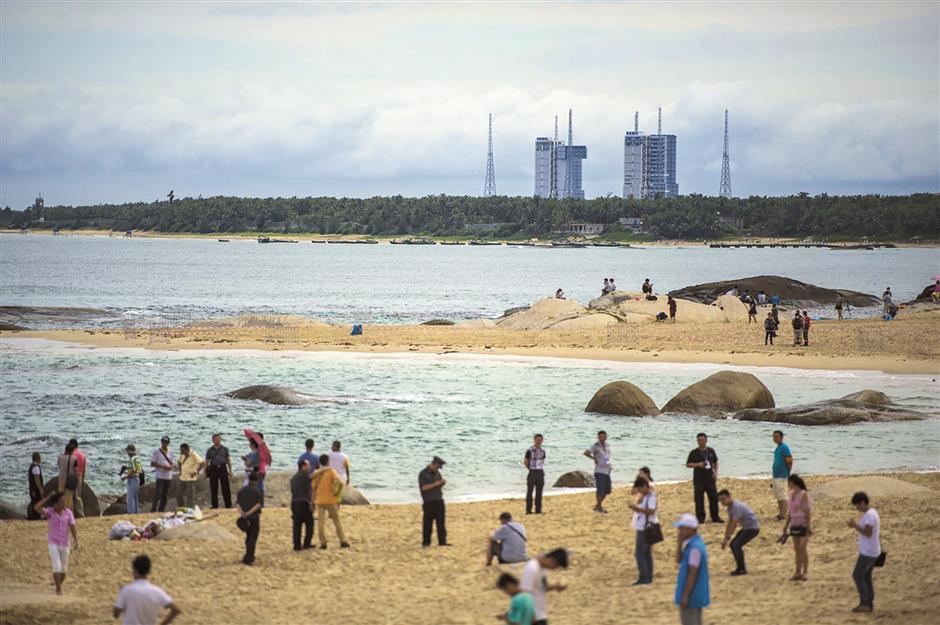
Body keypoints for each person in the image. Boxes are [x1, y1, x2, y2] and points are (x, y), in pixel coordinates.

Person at [113, 555, 181, 625]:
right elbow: (176, 610)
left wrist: (121, 596)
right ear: (148, 571)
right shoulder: (158, 591)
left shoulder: (127, 590)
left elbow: (115, 614)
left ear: (135, 570)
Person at [33, 491, 78, 595]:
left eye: (64, 501)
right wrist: (48, 497)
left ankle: (59, 584)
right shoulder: (50, 512)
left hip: (65, 543)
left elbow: (72, 527)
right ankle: (58, 588)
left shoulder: (69, 513)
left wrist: (76, 539)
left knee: (64, 568)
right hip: (53, 542)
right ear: (56, 504)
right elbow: (36, 508)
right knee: (57, 565)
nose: (64, 503)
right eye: (62, 501)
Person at [674, 513, 710, 625]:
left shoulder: (695, 548)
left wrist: (685, 596)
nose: (679, 531)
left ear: (690, 529)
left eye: (682, 528)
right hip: (695, 595)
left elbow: (692, 574)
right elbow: (678, 560)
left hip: (692, 596)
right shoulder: (694, 544)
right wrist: (679, 543)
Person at [848, 491, 881, 613]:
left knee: (857, 575)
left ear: (862, 502)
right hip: (872, 550)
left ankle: (865, 603)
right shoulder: (871, 513)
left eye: (857, 505)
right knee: (866, 576)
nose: (857, 508)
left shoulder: (870, 515)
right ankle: (869, 602)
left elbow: (868, 532)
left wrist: (855, 525)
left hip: (868, 552)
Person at [520, 549, 568, 625]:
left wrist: (554, 587)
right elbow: (524, 593)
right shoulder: (532, 568)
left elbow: (541, 588)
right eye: (555, 566)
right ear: (552, 560)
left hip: (540, 614)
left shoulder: (543, 568)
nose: (554, 569)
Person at [312, 453, 350, 549]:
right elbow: (339, 482)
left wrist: (312, 501)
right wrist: (336, 494)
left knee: (321, 522)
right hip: (330, 499)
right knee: (336, 521)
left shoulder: (317, 473)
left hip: (320, 500)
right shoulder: (331, 471)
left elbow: (313, 488)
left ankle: (323, 543)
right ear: (328, 461)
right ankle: (343, 541)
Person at [718, 489, 760, 575]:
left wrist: (728, 537)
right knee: (733, 545)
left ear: (729, 497)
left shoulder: (736, 506)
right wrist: (726, 538)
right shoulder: (730, 507)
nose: (722, 502)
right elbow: (729, 523)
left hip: (752, 528)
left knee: (736, 545)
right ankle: (740, 567)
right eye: (720, 500)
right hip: (747, 527)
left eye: (723, 499)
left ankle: (742, 569)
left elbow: (734, 524)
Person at [780, 474, 812, 581]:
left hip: (803, 523)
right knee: (796, 549)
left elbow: (807, 511)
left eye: (788, 482)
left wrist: (808, 526)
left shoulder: (803, 494)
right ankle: (798, 571)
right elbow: (790, 512)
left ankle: (805, 571)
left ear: (792, 482)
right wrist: (785, 526)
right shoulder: (792, 494)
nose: (788, 485)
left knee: (802, 548)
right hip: (794, 524)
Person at [686, 433, 721, 523]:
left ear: (706, 440)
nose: (700, 442)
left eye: (702, 440)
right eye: (699, 440)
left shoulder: (711, 451)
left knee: (713, 498)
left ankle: (715, 517)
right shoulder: (694, 452)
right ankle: (700, 518)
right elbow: (688, 464)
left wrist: (716, 472)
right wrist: (698, 464)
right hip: (699, 479)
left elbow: (715, 462)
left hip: (710, 478)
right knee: (699, 499)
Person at [628, 477, 657, 585]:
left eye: (640, 489)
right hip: (644, 526)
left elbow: (650, 511)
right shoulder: (646, 496)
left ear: (645, 486)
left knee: (639, 553)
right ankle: (648, 575)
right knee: (646, 552)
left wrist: (637, 509)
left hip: (646, 527)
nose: (639, 491)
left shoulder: (651, 497)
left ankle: (644, 576)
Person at [419, 456, 448, 547]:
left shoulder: (437, 473)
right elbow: (424, 488)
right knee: (428, 522)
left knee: (441, 523)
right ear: (434, 464)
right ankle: (426, 542)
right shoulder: (423, 474)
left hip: (438, 500)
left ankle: (442, 542)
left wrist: (441, 484)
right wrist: (437, 484)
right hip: (429, 502)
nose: (438, 468)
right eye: (438, 466)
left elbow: (437, 485)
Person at [236, 471, 263, 565]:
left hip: (244, 517)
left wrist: (243, 514)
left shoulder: (241, 490)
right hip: (254, 517)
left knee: (248, 536)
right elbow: (258, 505)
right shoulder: (257, 490)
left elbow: (238, 504)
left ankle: (248, 554)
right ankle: (249, 557)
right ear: (256, 480)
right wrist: (249, 513)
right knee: (253, 537)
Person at [583, 431, 612, 513]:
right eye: (600, 437)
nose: (602, 438)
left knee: (608, 490)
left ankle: (597, 506)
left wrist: (609, 466)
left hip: (607, 470)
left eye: (603, 437)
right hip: (599, 471)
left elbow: (607, 457)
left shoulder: (607, 445)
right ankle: (599, 507)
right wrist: (594, 458)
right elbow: (586, 453)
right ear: (598, 437)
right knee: (600, 490)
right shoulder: (596, 446)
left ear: (606, 437)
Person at [290, 459, 314, 550]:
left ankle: (297, 545)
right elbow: (309, 490)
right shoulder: (305, 475)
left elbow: (292, 490)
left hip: (294, 502)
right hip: (303, 502)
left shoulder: (294, 477)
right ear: (303, 466)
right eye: (308, 465)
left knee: (297, 525)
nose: (309, 467)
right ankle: (306, 543)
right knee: (310, 523)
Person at [243, 429, 271, 505]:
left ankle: (259, 504)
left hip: (258, 471)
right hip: (261, 470)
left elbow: (251, 463)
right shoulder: (261, 450)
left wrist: (247, 460)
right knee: (259, 487)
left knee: (258, 488)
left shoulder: (258, 452)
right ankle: (259, 503)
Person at [205, 434, 233, 509]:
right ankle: (214, 505)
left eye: (218, 439)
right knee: (213, 487)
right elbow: (207, 461)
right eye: (215, 439)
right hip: (213, 468)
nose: (217, 440)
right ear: (213, 440)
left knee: (225, 487)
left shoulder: (225, 449)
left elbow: (228, 460)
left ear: (220, 439)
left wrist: (230, 470)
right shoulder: (209, 450)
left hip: (223, 468)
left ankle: (228, 504)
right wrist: (205, 471)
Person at [772, 430, 793, 520]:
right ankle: (780, 513)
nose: (775, 438)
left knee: (782, 495)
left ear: (781, 437)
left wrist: (788, 473)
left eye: (777, 436)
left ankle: (783, 514)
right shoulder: (777, 448)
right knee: (778, 495)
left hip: (782, 475)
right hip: (776, 475)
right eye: (774, 436)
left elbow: (789, 460)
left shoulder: (785, 447)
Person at [150, 436, 175, 512]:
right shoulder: (157, 451)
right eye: (163, 442)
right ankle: (153, 508)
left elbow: (172, 462)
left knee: (165, 494)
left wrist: (170, 467)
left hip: (168, 475)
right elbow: (152, 463)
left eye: (166, 442)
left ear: (168, 443)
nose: (164, 443)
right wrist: (162, 466)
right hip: (160, 475)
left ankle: (161, 509)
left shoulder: (170, 451)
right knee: (158, 493)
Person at [176, 443, 204, 509]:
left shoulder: (193, 454)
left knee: (190, 496)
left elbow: (201, 463)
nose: (181, 452)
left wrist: (196, 472)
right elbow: (179, 462)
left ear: (187, 449)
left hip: (190, 478)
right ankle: (181, 508)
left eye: (183, 450)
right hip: (182, 478)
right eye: (181, 450)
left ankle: (190, 509)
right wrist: (180, 471)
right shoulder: (182, 455)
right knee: (178, 494)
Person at [524, 434, 546, 515]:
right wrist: (530, 469)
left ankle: (538, 510)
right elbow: (526, 462)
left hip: (540, 472)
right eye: (537, 439)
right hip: (532, 471)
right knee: (530, 491)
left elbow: (542, 461)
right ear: (534, 440)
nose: (539, 441)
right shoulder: (529, 450)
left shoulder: (543, 451)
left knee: (539, 492)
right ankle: (528, 510)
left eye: (540, 440)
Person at [121, 445, 143, 515]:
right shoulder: (137, 458)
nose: (127, 453)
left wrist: (125, 477)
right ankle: (136, 512)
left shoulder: (132, 459)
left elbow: (134, 470)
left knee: (130, 497)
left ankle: (131, 512)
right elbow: (138, 469)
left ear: (130, 451)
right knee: (135, 497)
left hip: (133, 479)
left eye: (127, 451)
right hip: (137, 478)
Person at [56, 442, 78, 510]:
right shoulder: (74, 459)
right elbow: (76, 471)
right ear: (72, 451)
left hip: (61, 479)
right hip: (70, 481)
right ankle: (68, 513)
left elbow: (59, 465)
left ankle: (61, 511)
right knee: (69, 499)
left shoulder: (60, 457)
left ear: (65, 450)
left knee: (61, 497)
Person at [68, 438, 86, 517]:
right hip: (80, 475)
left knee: (70, 496)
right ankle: (81, 514)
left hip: (72, 476)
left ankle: (71, 514)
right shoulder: (83, 455)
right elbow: (84, 469)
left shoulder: (71, 454)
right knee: (78, 497)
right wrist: (83, 480)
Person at [27, 452, 43, 521]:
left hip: (32, 488)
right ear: (37, 458)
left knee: (34, 502)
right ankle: (36, 517)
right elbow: (37, 480)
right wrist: (40, 489)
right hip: (35, 489)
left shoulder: (31, 466)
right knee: (37, 502)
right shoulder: (36, 467)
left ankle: (34, 516)